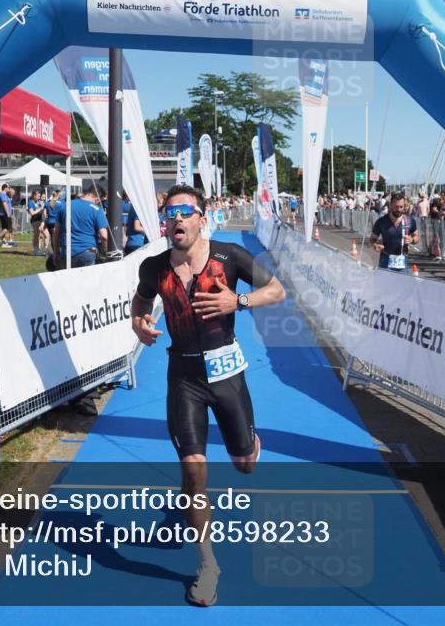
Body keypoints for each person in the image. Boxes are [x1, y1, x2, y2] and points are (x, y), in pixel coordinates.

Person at [130, 184, 286, 607]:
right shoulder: (153, 267)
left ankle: (250, 444)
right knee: (194, 472)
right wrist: (140, 326)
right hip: (183, 376)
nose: (176, 218)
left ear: (202, 218)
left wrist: (238, 300)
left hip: (226, 373)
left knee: (244, 466)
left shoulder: (228, 257)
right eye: (169, 212)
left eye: (185, 211)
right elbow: (139, 306)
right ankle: (208, 564)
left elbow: (278, 291)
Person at [51, 186, 109, 268]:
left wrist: (56, 252)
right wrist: (105, 251)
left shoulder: (65, 206)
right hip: (87, 252)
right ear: (97, 199)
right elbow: (104, 235)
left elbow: (56, 231)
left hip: (66, 253)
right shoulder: (96, 210)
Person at [370, 192, 419, 273]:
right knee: (384, 285)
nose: (399, 209)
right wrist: (375, 245)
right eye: (396, 207)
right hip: (385, 260)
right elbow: (372, 239)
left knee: (402, 285)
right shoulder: (381, 221)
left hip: (402, 261)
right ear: (390, 205)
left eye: (401, 207)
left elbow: (417, 237)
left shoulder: (410, 220)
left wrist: (412, 240)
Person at [0, 183, 15, 248]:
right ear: (5, 188)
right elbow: (4, 204)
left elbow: (12, 193)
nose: (9, 189)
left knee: (4, 228)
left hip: (5, 214)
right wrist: (8, 213)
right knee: (6, 229)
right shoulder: (2, 194)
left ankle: (3, 243)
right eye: (8, 188)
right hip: (4, 214)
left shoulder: (5, 195)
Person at [27, 190, 48, 256]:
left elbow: (43, 210)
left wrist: (44, 208)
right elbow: (32, 213)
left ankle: (45, 250)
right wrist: (40, 208)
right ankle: (36, 250)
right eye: (38, 196)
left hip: (41, 220)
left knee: (47, 235)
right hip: (35, 220)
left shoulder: (39, 202)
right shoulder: (30, 202)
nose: (39, 197)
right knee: (37, 235)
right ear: (34, 195)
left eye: (40, 196)